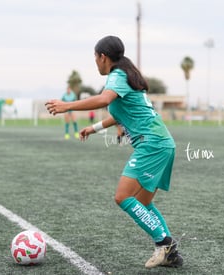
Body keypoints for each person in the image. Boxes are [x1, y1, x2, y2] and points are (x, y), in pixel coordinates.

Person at [46, 35, 182, 268]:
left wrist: (67, 105)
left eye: (95, 58)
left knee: (123, 197)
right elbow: (119, 112)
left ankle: (164, 243)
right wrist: (95, 128)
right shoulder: (126, 75)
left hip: (152, 144)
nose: (96, 63)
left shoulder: (117, 76)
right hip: (161, 143)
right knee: (142, 202)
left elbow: (103, 99)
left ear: (103, 57)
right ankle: (168, 252)